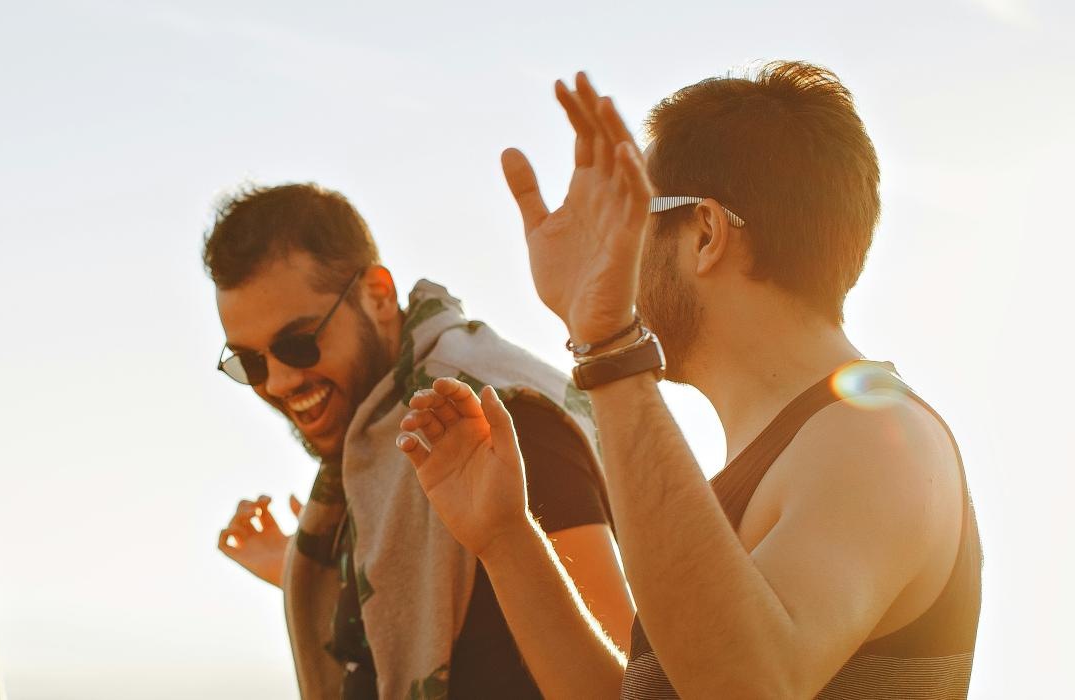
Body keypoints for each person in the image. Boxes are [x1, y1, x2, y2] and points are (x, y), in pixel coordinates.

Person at [401, 64, 980, 698]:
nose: (613, 250)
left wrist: (607, 343)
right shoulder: (788, 458)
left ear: (705, 233)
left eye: (634, 219)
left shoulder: (877, 436)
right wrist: (506, 540)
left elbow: (748, 687)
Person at [206, 184, 631, 698]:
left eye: (297, 345)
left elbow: (621, 676)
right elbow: (432, 608)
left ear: (379, 296)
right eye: (249, 363)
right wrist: (304, 567)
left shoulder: (496, 419)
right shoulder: (374, 432)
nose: (276, 383)